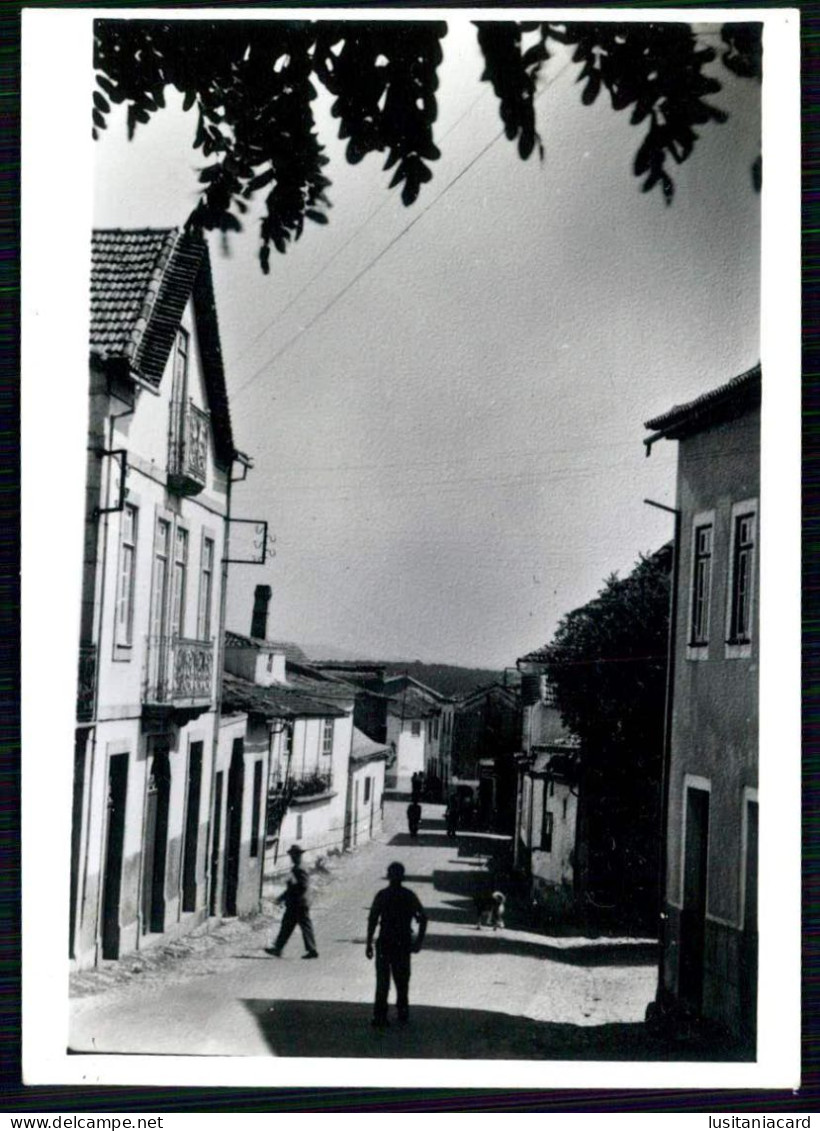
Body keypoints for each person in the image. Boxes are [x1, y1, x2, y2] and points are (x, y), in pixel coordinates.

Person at [366, 861, 427, 1028]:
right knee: (402, 979)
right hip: (402, 942)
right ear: (402, 877)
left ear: (388, 876)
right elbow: (423, 917)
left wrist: (369, 943)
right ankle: (402, 1010)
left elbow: (372, 919)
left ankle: (380, 1016)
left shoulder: (382, 895)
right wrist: (419, 941)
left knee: (382, 981)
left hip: (385, 941)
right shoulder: (409, 895)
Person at [266, 844, 319, 959]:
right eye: (291, 855)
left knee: (291, 926)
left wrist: (285, 896)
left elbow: (302, 886)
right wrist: (283, 897)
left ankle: (279, 949)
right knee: (290, 926)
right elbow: (294, 887)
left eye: (293, 855)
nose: (292, 857)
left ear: (298, 855)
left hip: (298, 903)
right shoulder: (299, 867)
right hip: (299, 903)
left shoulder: (299, 869)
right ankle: (279, 949)